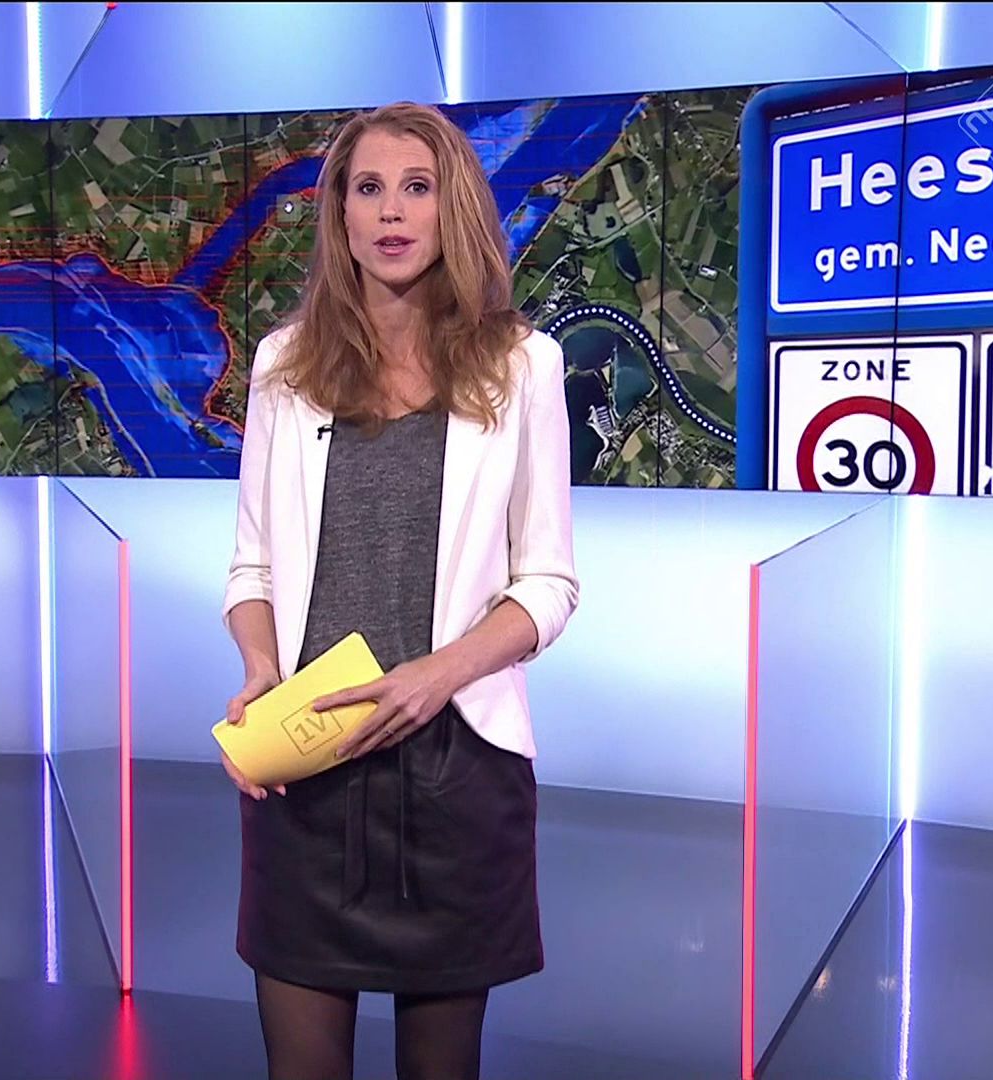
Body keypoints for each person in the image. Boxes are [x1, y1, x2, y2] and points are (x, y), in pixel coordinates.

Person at [218, 101, 580, 1080]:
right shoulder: (283, 367)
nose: (391, 211)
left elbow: (548, 581)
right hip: (308, 763)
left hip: (457, 774)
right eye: (368, 188)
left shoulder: (523, 365)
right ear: (338, 213)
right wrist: (260, 669)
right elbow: (253, 568)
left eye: (416, 188)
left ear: (450, 208)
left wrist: (437, 674)